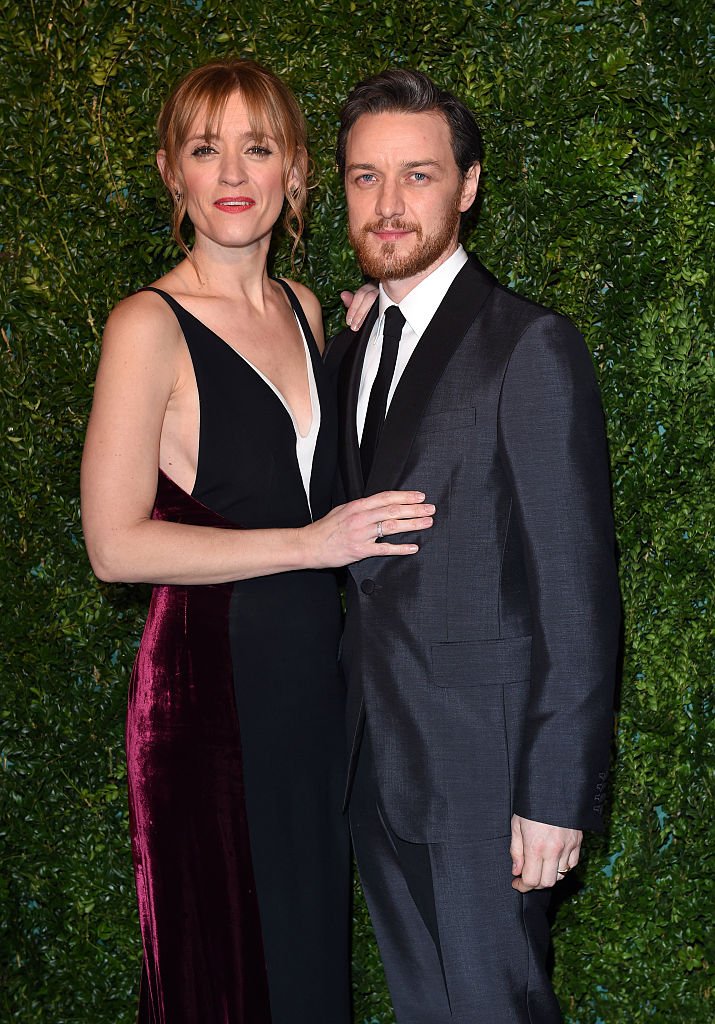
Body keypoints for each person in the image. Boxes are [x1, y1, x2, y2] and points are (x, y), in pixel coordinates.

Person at [80, 59, 434, 1024]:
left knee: (305, 967)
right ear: (171, 173)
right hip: (202, 703)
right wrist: (309, 545)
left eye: (258, 146)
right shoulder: (144, 326)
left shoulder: (309, 310)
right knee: (224, 978)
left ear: (296, 173)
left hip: (309, 692)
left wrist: (364, 335)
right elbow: (114, 546)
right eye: (205, 149)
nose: (232, 170)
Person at [327, 69, 621, 1023]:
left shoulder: (526, 344)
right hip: (377, 757)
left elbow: (577, 591)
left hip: (486, 778)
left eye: (417, 175)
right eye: (365, 178)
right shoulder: (354, 344)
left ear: (468, 185)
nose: (388, 204)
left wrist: (554, 792)